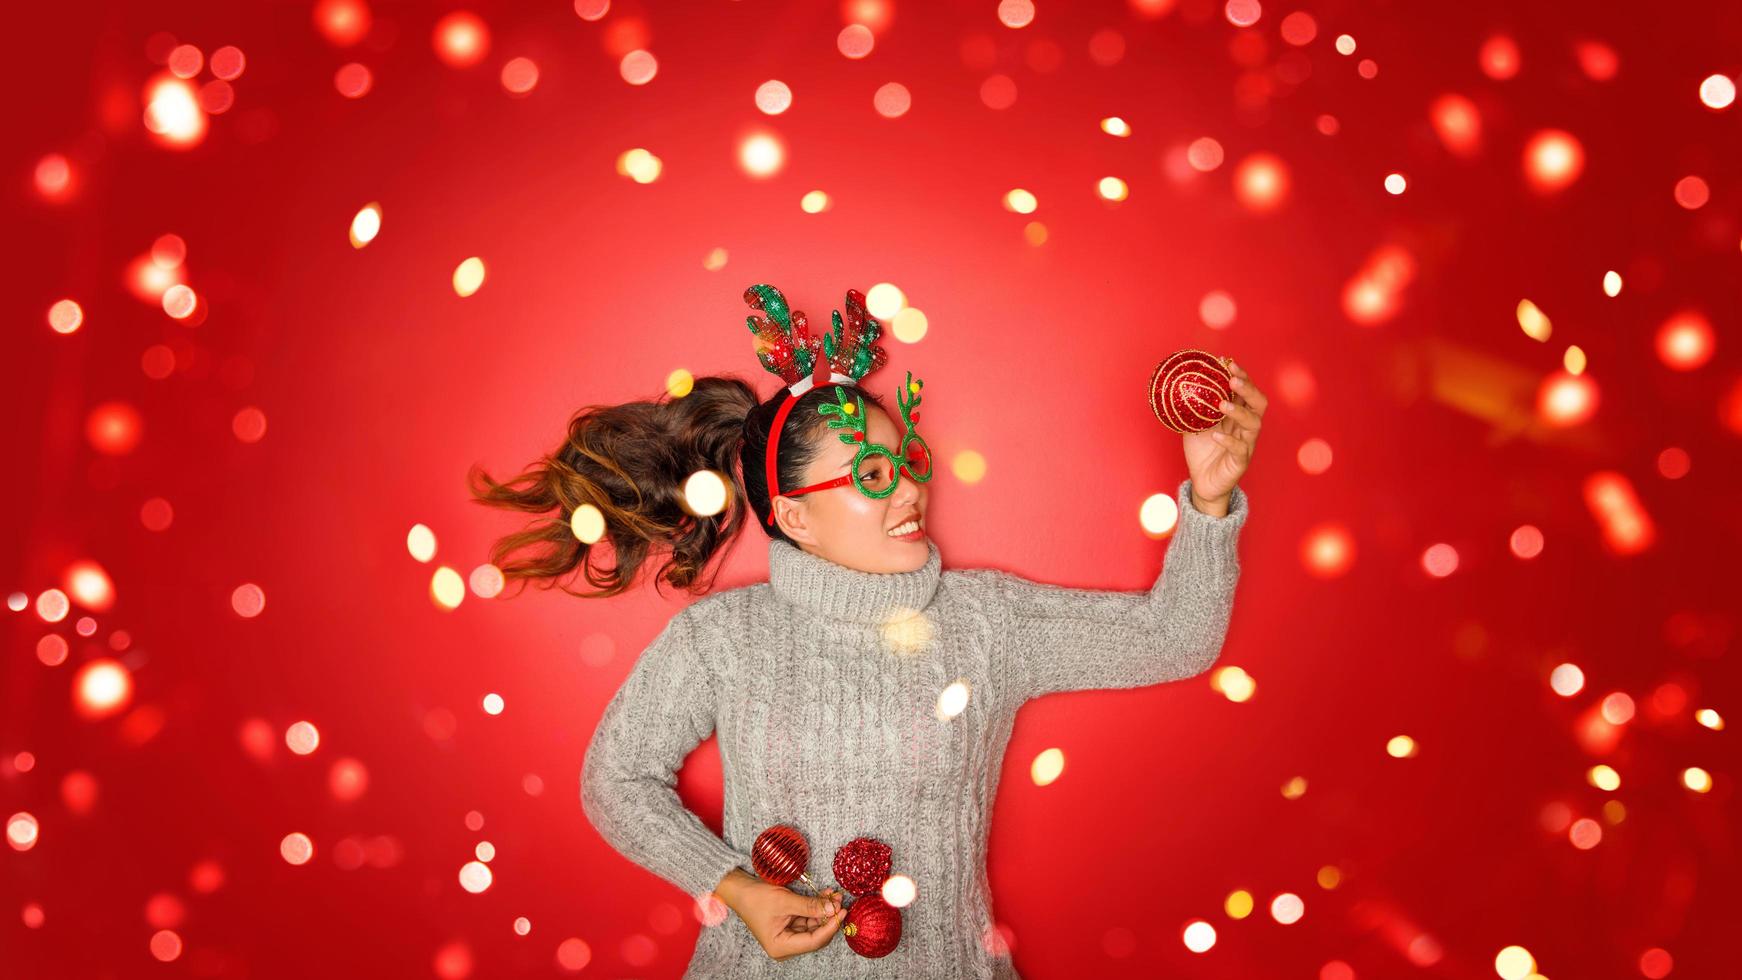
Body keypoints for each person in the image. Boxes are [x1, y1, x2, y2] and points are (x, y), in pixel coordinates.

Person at [467, 285, 1261, 977]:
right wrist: (733, 886)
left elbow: (1175, 637)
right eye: (873, 475)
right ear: (796, 517)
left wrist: (1211, 497)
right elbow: (615, 779)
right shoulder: (723, 637)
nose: (910, 486)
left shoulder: (983, 621)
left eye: (907, 458)